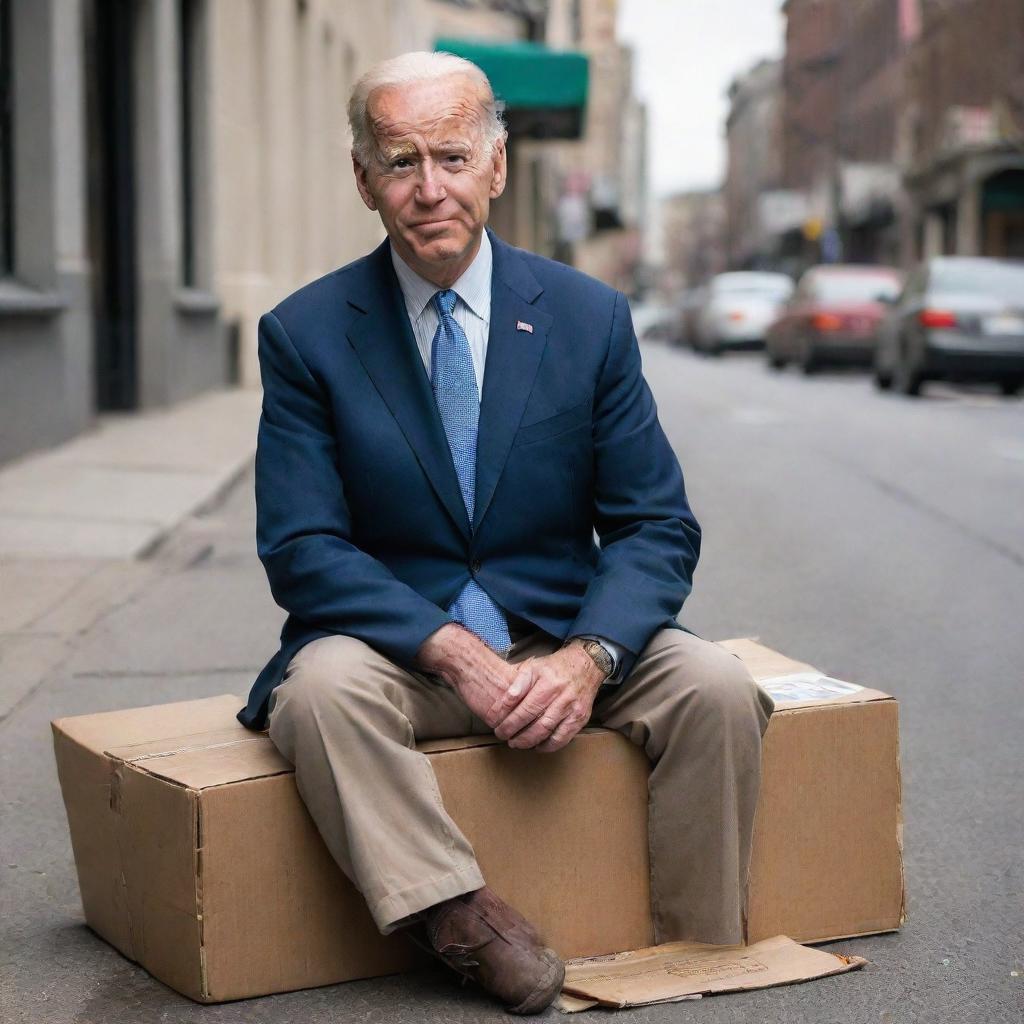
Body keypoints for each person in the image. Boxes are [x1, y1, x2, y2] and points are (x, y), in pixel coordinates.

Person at [238, 50, 773, 1015]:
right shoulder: (306, 334)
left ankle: (700, 952)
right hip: (408, 652)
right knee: (316, 692)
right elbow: (302, 547)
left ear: (497, 164)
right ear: (364, 181)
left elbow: (656, 523)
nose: (429, 188)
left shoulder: (587, 317)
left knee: (717, 685)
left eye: (450, 156)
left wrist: (590, 656)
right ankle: (463, 920)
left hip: (564, 629)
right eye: (400, 163)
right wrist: (449, 650)